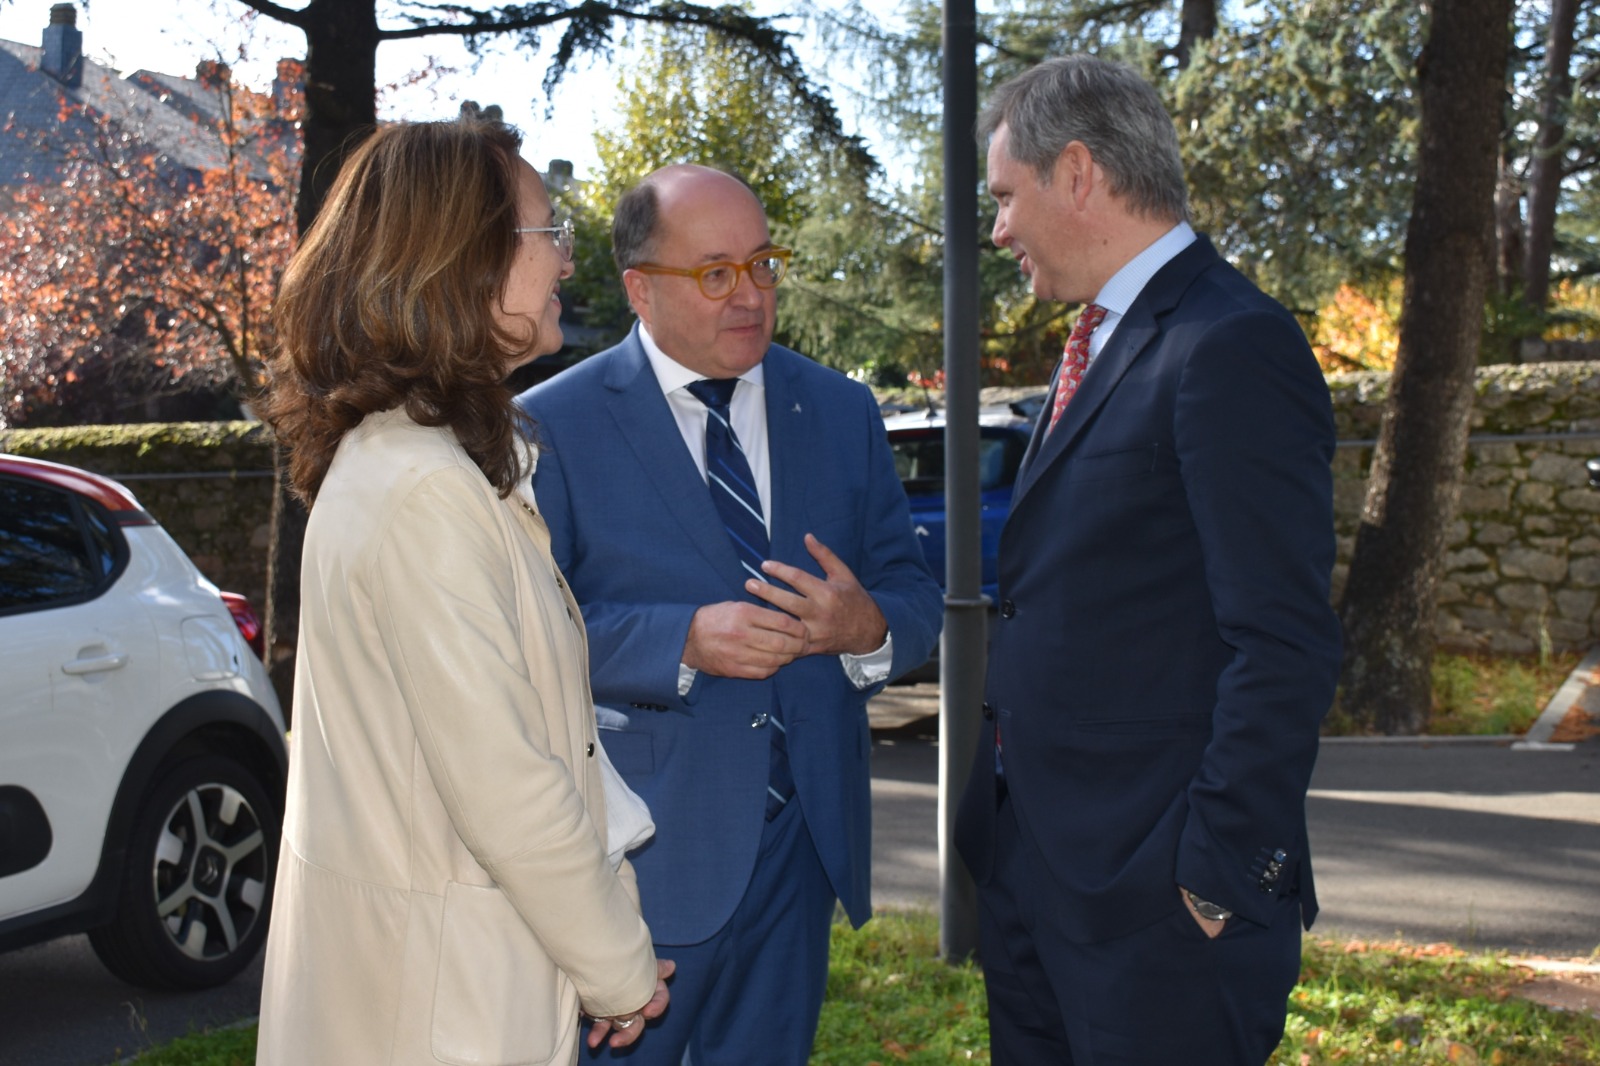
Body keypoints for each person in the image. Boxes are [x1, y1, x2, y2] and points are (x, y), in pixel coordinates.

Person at [255, 117, 671, 1066]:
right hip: (438, 1010)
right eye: (546, 232)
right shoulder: (425, 491)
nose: (566, 260)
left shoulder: (423, 466)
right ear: (461, 260)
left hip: (439, 983)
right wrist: (622, 969)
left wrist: (606, 937)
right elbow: (510, 786)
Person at [954, 56, 1343, 1065]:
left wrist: (1214, 869)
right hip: (1041, 878)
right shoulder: (1099, 340)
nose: (997, 230)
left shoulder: (1229, 343)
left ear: (1076, 173)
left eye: (1005, 197)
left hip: (1159, 910)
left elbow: (1285, 640)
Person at [515, 164, 943, 1065]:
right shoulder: (547, 428)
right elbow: (521, 636)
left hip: (800, 854)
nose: (749, 295)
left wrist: (866, 628)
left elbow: (914, 594)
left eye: (763, 265)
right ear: (639, 287)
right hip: (641, 859)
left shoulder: (840, 409)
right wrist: (681, 640)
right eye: (715, 273)